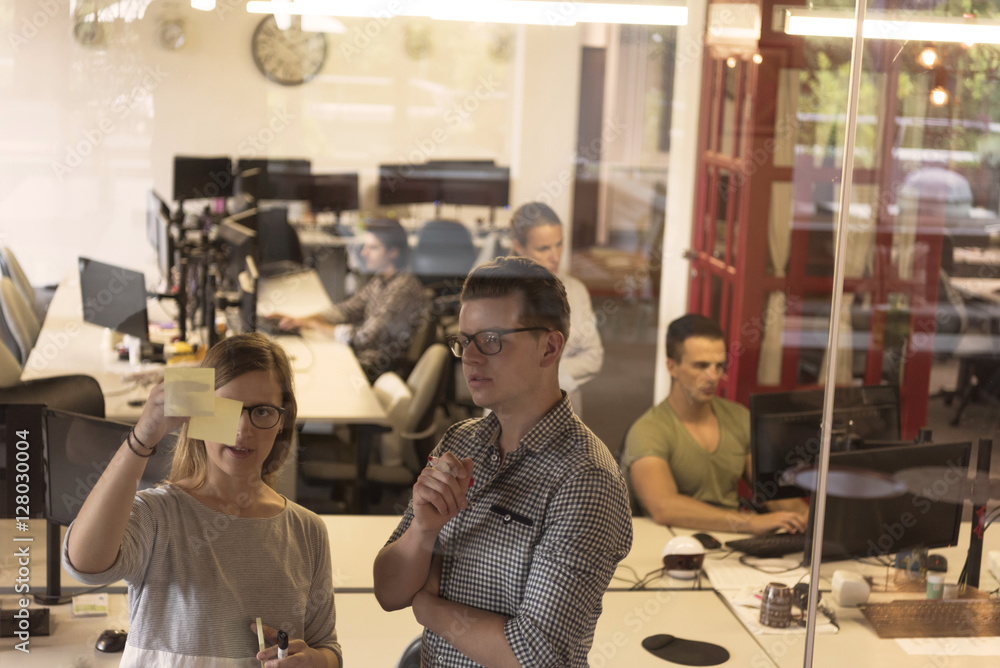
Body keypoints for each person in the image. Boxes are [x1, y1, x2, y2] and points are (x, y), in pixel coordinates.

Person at [373, 256, 632, 667]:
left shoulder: (586, 479)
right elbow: (388, 592)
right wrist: (423, 530)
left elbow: (537, 655)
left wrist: (430, 610)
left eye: (491, 339)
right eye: (465, 340)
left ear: (549, 347)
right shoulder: (461, 442)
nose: (470, 358)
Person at [63, 333, 342, 667]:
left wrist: (319, 661)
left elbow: (327, 646)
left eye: (263, 411)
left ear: (282, 421)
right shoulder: (158, 515)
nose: (243, 429)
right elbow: (85, 564)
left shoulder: (307, 531)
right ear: (195, 413)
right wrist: (142, 439)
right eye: (227, 409)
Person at [622, 314, 808, 535]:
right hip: (676, 547)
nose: (712, 376)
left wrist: (804, 518)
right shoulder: (648, 430)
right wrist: (751, 523)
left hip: (731, 545)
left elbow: (775, 493)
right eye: (701, 366)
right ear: (672, 367)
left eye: (718, 365)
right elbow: (664, 507)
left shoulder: (738, 418)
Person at [277, 218, 427, 380]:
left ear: (393, 252)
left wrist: (314, 325)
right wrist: (300, 320)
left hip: (378, 368)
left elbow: (364, 338)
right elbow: (348, 309)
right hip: (365, 357)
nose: (364, 253)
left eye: (373, 248)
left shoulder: (402, 289)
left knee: (310, 370)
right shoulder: (383, 279)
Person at [509, 202, 603, 413]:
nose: (555, 256)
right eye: (544, 248)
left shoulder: (576, 292)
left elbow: (593, 357)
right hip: (511, 410)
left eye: (559, 244)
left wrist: (540, 378)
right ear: (518, 246)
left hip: (562, 409)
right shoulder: (499, 296)